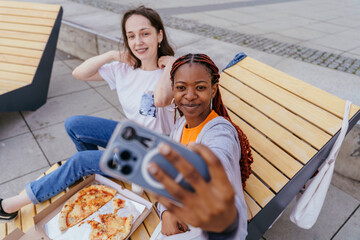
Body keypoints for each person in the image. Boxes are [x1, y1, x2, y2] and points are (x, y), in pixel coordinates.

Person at [0, 5, 177, 222]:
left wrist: (170, 65)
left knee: (80, 160)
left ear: (159, 35)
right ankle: (101, 172)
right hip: (130, 138)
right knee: (74, 124)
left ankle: (10, 206)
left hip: (155, 153)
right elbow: (79, 73)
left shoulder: (174, 72)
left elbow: (161, 99)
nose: (138, 42)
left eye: (145, 34)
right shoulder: (123, 69)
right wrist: (112, 54)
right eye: (131, 36)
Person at [149, 53, 253, 239]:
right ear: (173, 89)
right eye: (181, 87)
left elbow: (217, 161)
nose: (190, 95)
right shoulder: (179, 127)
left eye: (200, 87)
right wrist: (166, 211)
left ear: (213, 90)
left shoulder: (220, 131)